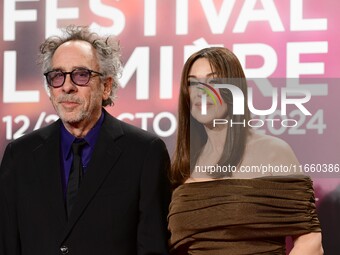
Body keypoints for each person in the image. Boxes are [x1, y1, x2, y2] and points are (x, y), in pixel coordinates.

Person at [0, 25, 171, 255]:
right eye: (57, 76)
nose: (67, 87)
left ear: (106, 87)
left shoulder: (144, 153)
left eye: (81, 75)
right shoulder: (19, 155)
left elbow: (153, 248)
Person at [168, 47, 323, 255]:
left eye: (213, 81)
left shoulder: (273, 153)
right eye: (192, 82)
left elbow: (310, 243)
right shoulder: (184, 165)